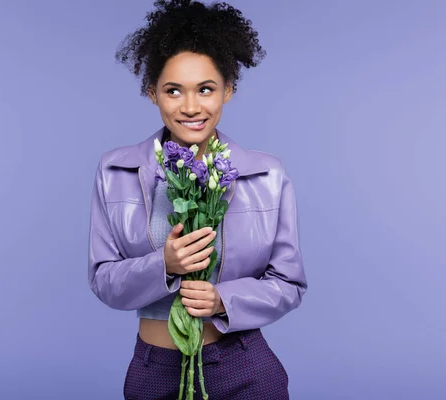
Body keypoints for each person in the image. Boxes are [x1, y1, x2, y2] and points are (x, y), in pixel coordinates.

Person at [87, 1, 307, 398]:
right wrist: (164, 265)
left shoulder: (267, 175)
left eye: (205, 89)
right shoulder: (114, 171)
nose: (190, 107)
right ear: (153, 93)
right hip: (156, 369)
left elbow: (288, 283)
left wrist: (224, 300)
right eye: (174, 91)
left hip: (244, 366)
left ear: (228, 90)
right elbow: (104, 280)